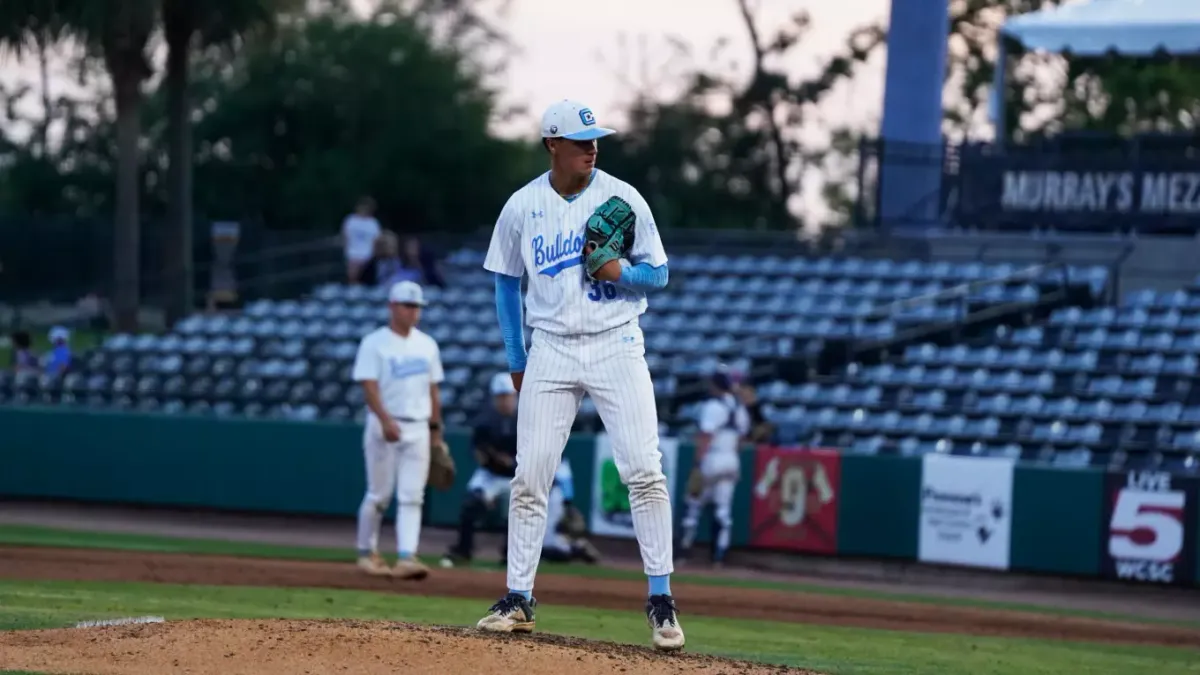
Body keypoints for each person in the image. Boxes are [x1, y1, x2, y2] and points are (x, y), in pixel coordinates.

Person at [475, 99, 683, 651]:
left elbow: (660, 274)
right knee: (530, 476)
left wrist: (625, 272)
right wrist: (517, 359)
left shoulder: (622, 196)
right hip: (551, 349)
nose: (592, 147)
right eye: (579, 139)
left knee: (644, 470)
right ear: (552, 144)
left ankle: (661, 600)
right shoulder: (522, 206)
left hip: (617, 342)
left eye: (595, 139)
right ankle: (518, 597)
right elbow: (504, 283)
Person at [442, 374, 601, 568]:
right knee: (471, 502)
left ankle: (515, 554)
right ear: (493, 398)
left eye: (508, 396)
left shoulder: (530, 419)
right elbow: (479, 455)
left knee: (524, 515)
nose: (504, 401)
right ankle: (463, 549)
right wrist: (492, 463)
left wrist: (565, 498)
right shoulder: (484, 423)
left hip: (522, 475)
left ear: (515, 396)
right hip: (493, 474)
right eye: (500, 397)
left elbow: (552, 457)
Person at [352, 280, 445, 580]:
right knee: (379, 494)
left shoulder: (427, 344)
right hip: (385, 424)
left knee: (412, 496)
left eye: (417, 306)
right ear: (392, 306)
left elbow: (433, 391)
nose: (413, 311)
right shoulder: (374, 342)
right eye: (408, 305)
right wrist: (385, 420)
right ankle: (367, 552)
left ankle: (407, 556)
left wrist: (435, 431)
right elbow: (369, 387)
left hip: (417, 426)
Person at [678, 366, 750, 568]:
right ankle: (719, 556)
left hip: (713, 457)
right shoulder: (739, 407)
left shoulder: (713, 406)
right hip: (731, 459)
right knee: (723, 510)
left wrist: (697, 464)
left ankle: (684, 551)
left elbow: (706, 437)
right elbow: (742, 439)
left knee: (693, 505)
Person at [341, 197, 382, 284]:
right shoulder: (350, 220)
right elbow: (345, 237)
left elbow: (376, 240)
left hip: (368, 255)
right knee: (352, 277)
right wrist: (346, 252)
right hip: (352, 254)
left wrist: (373, 255)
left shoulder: (373, 223)